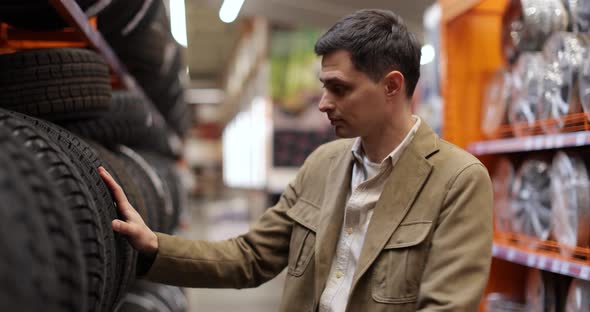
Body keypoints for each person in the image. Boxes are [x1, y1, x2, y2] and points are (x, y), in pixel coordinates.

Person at [99, 8, 493, 312]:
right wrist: (154, 245)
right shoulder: (324, 163)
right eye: (324, 87)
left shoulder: (457, 181)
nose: (323, 104)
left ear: (392, 85)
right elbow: (250, 257)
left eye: (339, 89)